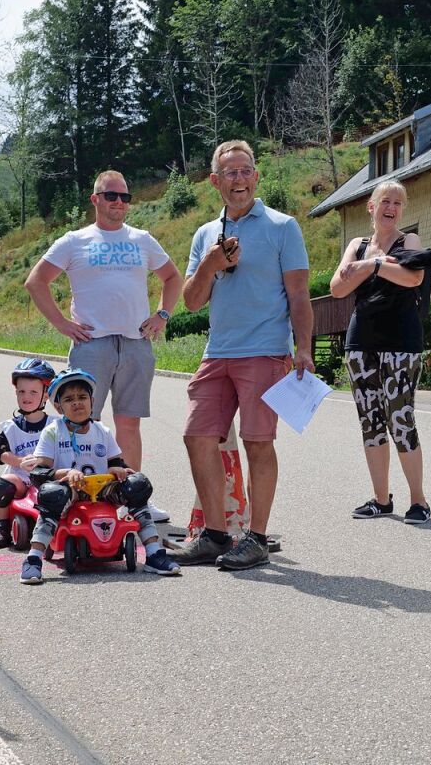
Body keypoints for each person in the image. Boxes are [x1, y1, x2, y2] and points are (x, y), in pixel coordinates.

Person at [168, 140, 314, 571]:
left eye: (245, 170)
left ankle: (256, 537)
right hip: (218, 353)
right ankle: (215, 535)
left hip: (265, 352)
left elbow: (300, 293)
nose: (239, 179)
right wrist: (211, 264)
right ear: (215, 181)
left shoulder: (282, 226)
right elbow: (192, 303)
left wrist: (303, 348)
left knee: (257, 442)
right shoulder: (204, 235)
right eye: (229, 172)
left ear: (256, 176)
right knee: (197, 436)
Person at [25, 170, 182, 523]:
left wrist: (162, 315)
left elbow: (173, 277)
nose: (119, 203)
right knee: (82, 423)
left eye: (125, 197)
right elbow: (36, 282)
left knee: (129, 425)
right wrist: (62, 324)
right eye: (112, 196)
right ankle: (76, 498)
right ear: (95, 199)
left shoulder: (142, 239)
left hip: (136, 344)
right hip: (91, 345)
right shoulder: (74, 240)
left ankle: (133, 498)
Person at [329, 180, 431, 525]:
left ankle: (418, 501)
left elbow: (413, 277)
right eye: (385, 201)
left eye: (398, 203)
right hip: (361, 343)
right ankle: (381, 499)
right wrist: (366, 264)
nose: (392, 207)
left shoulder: (409, 242)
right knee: (370, 420)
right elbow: (337, 287)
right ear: (371, 207)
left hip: (401, 342)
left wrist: (371, 267)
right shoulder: (357, 244)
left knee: (400, 419)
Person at [19, 368, 181, 584]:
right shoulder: (53, 431)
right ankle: (34, 558)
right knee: (52, 493)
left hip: (101, 491)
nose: (77, 403)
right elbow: (39, 473)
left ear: (92, 400)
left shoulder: (102, 431)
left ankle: (153, 553)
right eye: (69, 399)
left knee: (137, 484)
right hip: (71, 493)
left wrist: (118, 470)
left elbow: (115, 462)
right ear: (58, 406)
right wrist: (65, 473)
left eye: (82, 397)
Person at [0, 358, 57, 549]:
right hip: (22, 480)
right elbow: (0, 452)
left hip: (47, 478)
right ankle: (1, 526)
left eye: (33, 392)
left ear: (45, 395)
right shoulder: (11, 427)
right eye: (21, 392)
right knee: (3, 484)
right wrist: (18, 461)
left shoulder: (55, 424)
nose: (26, 397)